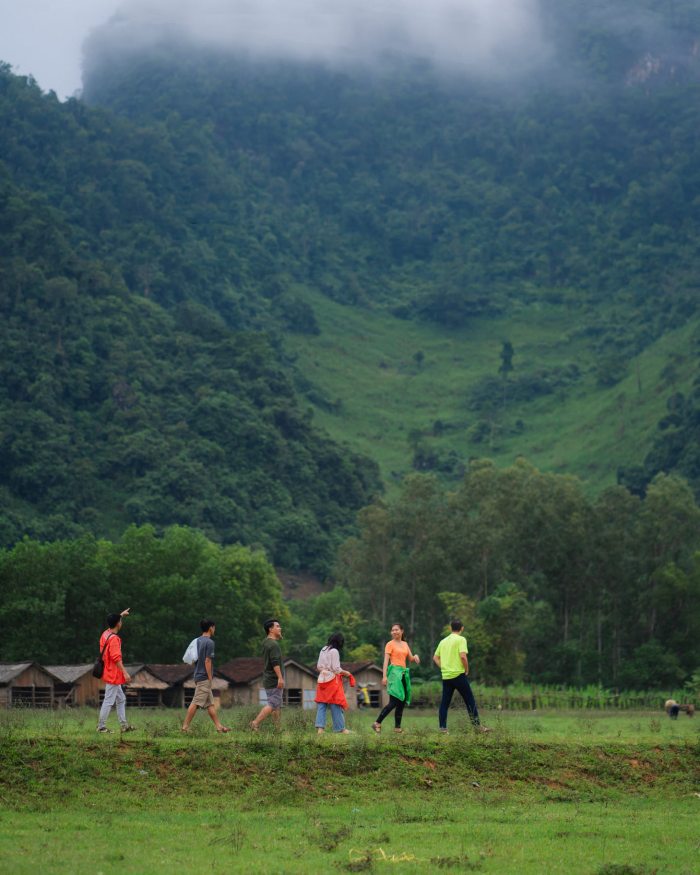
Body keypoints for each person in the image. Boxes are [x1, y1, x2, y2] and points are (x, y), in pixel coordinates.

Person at [433, 619, 489, 734]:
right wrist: (467, 669)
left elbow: (435, 658)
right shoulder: (461, 639)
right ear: (462, 628)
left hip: (446, 677)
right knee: (470, 700)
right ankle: (477, 727)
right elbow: (463, 656)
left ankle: (443, 728)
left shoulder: (443, 641)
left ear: (450, 628)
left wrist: (443, 668)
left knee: (445, 703)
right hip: (458, 675)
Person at [181, 619, 230, 733]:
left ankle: (219, 727)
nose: (215, 630)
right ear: (211, 628)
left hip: (198, 675)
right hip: (204, 677)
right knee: (196, 702)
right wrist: (209, 677)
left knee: (210, 704)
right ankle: (185, 728)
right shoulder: (209, 642)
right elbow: (208, 661)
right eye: (214, 627)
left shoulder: (197, 641)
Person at [372, 623, 420, 734]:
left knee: (401, 701)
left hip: (403, 674)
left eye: (396, 630)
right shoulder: (390, 644)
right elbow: (385, 661)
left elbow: (411, 658)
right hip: (394, 674)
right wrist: (384, 676)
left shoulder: (405, 644)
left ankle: (397, 728)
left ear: (402, 631)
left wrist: (416, 656)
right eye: (392, 630)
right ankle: (377, 723)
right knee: (394, 701)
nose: (394, 632)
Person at [96, 608, 135, 733]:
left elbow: (113, 623)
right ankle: (101, 727)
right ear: (118, 624)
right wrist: (125, 672)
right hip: (113, 673)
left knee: (121, 699)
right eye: (120, 621)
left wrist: (120, 615)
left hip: (108, 671)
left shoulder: (105, 634)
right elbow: (116, 658)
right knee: (109, 700)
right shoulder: (114, 639)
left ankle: (124, 726)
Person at [315, 632, 353, 734]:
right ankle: (340, 728)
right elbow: (336, 669)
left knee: (322, 703)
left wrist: (325, 670)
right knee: (335, 703)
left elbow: (318, 666)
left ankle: (320, 729)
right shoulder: (334, 651)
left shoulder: (323, 649)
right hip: (332, 681)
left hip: (322, 679)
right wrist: (346, 673)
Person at [250, 618, 284, 731]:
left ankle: (277, 729)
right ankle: (255, 723)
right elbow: (275, 662)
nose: (280, 628)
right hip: (274, 679)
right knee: (273, 704)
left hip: (267, 678)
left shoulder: (266, 642)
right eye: (277, 626)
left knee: (276, 705)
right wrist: (280, 677)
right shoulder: (274, 645)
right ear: (270, 629)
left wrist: (278, 637)